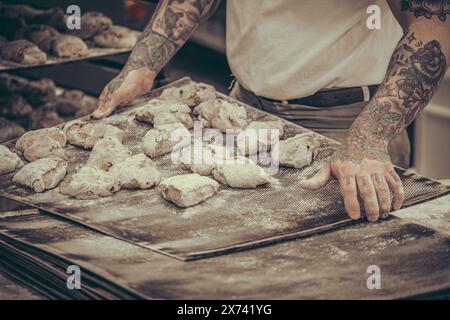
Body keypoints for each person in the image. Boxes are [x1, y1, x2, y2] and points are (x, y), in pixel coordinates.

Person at [92, 0, 450, 222]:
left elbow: (432, 25)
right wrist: (144, 65)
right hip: (244, 112)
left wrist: (367, 137)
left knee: (329, 278)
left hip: (344, 127)